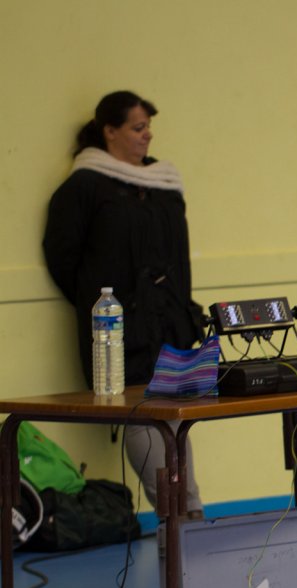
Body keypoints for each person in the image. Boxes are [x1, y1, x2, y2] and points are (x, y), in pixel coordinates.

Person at [43, 90, 205, 519]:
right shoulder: (84, 186)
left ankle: (190, 513)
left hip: (170, 325)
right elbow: (63, 258)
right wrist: (104, 304)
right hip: (120, 332)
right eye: (138, 127)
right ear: (109, 132)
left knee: (175, 421)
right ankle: (178, 518)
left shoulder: (164, 184)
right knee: (142, 416)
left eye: (149, 127)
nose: (147, 135)